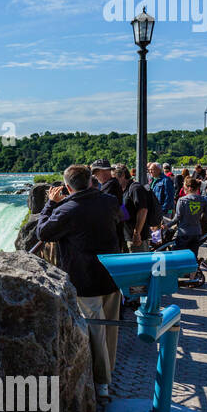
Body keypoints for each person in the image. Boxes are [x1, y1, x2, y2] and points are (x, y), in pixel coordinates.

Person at [35, 164, 123, 399]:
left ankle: (102, 382)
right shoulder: (109, 201)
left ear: (67, 186)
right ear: (92, 181)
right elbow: (119, 220)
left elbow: (42, 233)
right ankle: (110, 372)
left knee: (96, 331)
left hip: (86, 279)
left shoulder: (68, 210)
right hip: (113, 275)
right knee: (110, 328)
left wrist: (51, 203)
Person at [163, 176, 207, 273]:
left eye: (184, 187)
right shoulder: (202, 200)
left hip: (184, 233)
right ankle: (192, 278)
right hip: (197, 232)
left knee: (177, 255)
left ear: (189, 188)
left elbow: (177, 218)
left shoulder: (182, 200)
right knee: (192, 256)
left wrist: (167, 225)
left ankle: (177, 275)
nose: (183, 189)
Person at [118, 164, 156, 252]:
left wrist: (137, 233)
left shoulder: (135, 188)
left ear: (122, 176)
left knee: (139, 263)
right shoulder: (123, 189)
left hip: (137, 238)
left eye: (114, 177)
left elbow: (143, 210)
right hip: (127, 235)